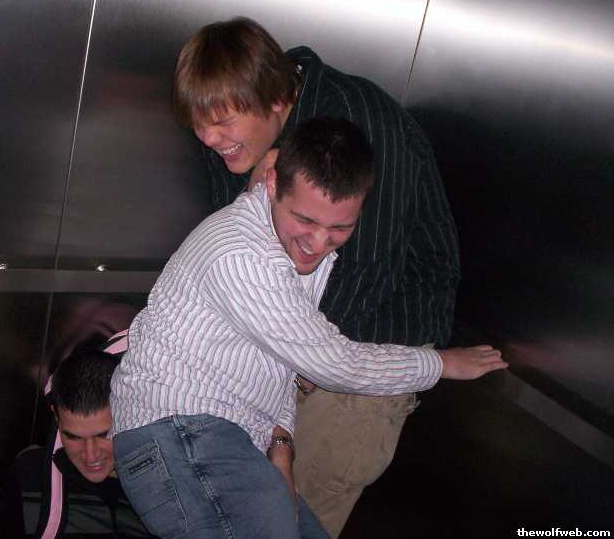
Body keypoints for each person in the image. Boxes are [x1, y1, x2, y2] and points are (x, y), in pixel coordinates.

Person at [110, 117, 505, 539]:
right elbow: (337, 364)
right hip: (178, 431)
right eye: (305, 220)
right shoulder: (242, 254)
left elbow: (282, 364)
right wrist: (442, 363)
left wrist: (281, 445)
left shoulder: (288, 248)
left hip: (222, 438)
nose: (317, 243)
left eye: (339, 229)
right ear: (272, 183)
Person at [173, 16, 462, 537]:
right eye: (199, 124)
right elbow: (236, 238)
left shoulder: (357, 120)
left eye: (223, 123)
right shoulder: (236, 136)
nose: (210, 138)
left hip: (370, 345)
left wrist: (295, 363)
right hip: (288, 343)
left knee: (294, 518)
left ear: (276, 100)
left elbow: (369, 262)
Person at [0, 348, 155, 539]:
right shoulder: (31, 476)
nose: (90, 455)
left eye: (104, 435)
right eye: (73, 437)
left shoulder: (164, 481)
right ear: (57, 418)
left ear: (129, 416)